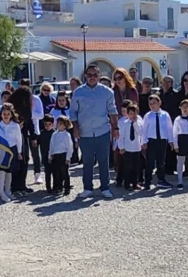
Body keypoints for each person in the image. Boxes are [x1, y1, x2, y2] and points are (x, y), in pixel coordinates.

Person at [69, 65, 119, 198]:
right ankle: (87, 188)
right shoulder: (78, 92)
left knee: (104, 160)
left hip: (102, 130)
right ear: (85, 75)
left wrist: (115, 128)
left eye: (95, 75)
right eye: (89, 75)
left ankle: (105, 187)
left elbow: (113, 111)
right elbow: (73, 112)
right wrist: (75, 127)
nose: (92, 77)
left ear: (99, 75)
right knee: (87, 161)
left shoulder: (107, 92)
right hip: (84, 132)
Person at [142, 92, 173, 189]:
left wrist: (171, 141)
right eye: (150, 104)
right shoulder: (148, 115)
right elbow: (144, 129)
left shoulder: (165, 115)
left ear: (159, 103)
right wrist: (144, 141)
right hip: (152, 141)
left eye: (154, 103)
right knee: (150, 162)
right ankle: (147, 181)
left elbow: (169, 128)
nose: (152, 105)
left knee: (161, 162)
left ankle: (161, 179)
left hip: (162, 140)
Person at [0, 102, 23, 202]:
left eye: (8, 114)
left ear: (11, 114)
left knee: (9, 172)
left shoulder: (15, 126)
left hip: (12, 150)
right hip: (1, 150)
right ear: (1, 114)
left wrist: (19, 152)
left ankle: (8, 191)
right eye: (4, 114)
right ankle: (1, 192)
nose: (6, 116)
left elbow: (18, 139)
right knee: (2, 171)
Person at [115, 101, 144, 190]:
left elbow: (141, 133)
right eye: (131, 113)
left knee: (135, 167)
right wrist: (121, 147)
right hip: (127, 148)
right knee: (127, 167)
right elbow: (121, 136)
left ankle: (135, 183)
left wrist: (135, 123)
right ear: (127, 114)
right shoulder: (124, 124)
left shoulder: (139, 123)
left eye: (135, 113)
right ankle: (127, 184)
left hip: (136, 147)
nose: (133, 115)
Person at [49, 115, 73, 196]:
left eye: (61, 124)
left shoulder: (67, 135)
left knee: (64, 172)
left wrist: (68, 158)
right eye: (58, 123)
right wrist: (50, 155)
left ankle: (67, 187)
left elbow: (69, 147)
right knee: (57, 172)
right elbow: (51, 145)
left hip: (64, 155)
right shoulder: (54, 134)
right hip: (56, 155)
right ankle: (58, 187)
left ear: (66, 125)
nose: (59, 125)